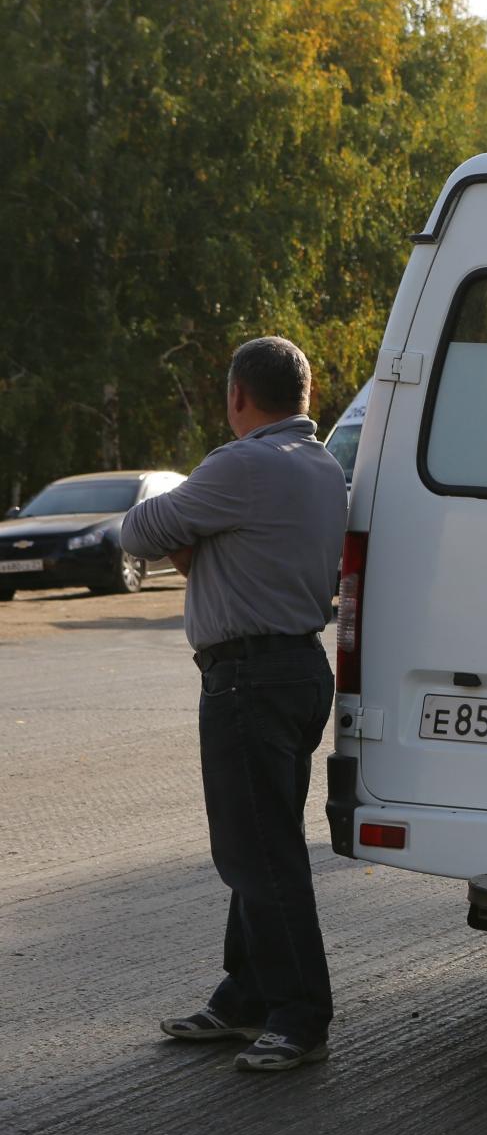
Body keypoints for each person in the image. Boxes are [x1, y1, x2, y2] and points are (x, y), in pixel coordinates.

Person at [121, 336, 348, 1071]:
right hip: (300, 669)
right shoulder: (323, 466)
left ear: (237, 395)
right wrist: (202, 543)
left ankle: (300, 1017)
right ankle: (246, 996)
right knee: (263, 840)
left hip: (248, 678)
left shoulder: (241, 465)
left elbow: (138, 531)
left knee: (260, 855)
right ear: (306, 395)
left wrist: (187, 533)